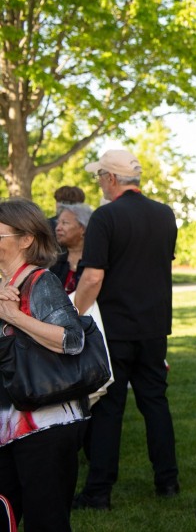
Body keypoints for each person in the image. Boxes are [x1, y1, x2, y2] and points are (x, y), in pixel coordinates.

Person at [73, 148, 180, 509]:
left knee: (108, 408)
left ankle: (98, 492)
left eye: (100, 176)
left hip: (115, 329)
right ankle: (168, 482)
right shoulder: (165, 214)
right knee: (155, 403)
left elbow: (92, 276)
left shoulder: (106, 217)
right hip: (154, 328)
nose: (99, 183)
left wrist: (74, 313)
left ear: (112, 178)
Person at [0, 198, 87, 531]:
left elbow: (72, 339)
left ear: (26, 239)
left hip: (45, 425)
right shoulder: (5, 284)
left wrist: (15, 316)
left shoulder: (42, 283)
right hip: (12, 423)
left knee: (46, 519)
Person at [49, 203, 94, 294]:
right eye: (58, 223)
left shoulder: (95, 262)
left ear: (83, 228)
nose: (58, 228)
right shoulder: (55, 262)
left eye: (65, 223)